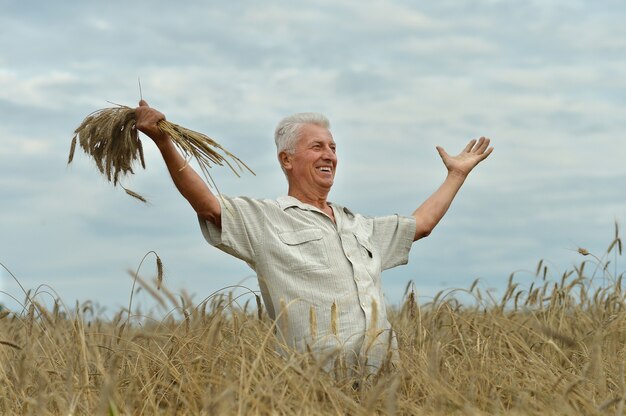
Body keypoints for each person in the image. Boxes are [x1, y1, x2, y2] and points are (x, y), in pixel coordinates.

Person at [135, 100, 493, 373]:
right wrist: (164, 142)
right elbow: (209, 205)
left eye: (333, 148)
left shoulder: (358, 225)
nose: (330, 155)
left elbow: (421, 225)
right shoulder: (266, 220)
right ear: (286, 160)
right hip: (313, 388)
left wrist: (456, 175)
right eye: (317, 147)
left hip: (383, 382)